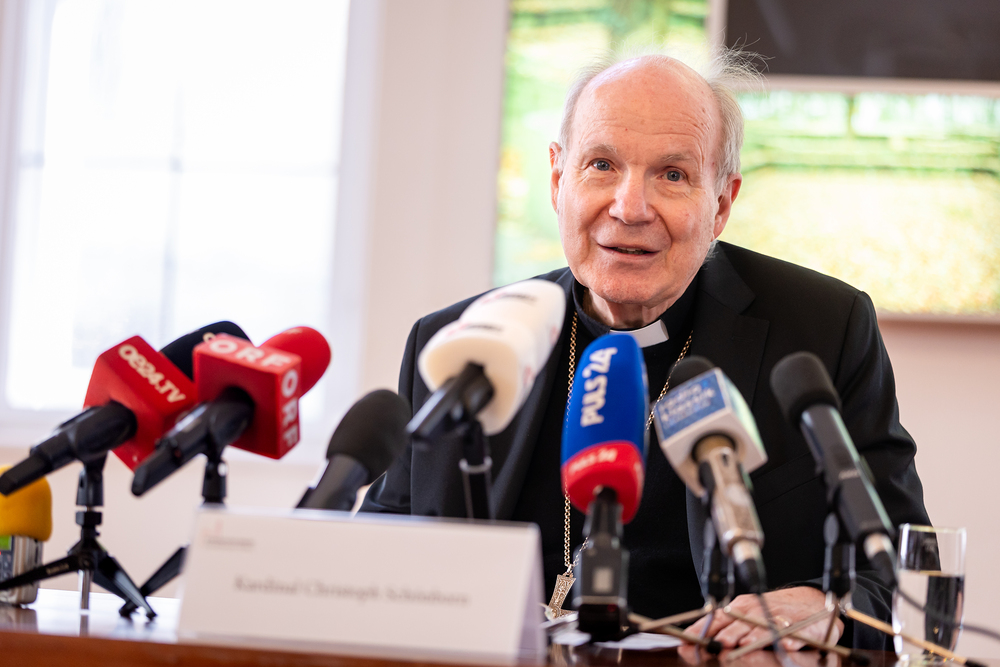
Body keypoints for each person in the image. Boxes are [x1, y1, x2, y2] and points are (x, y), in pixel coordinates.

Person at [360, 51, 928, 651]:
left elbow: (905, 561)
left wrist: (828, 608)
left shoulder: (823, 329)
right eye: (601, 165)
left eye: (673, 175)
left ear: (721, 204)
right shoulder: (461, 347)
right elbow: (381, 554)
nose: (629, 208)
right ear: (558, 180)